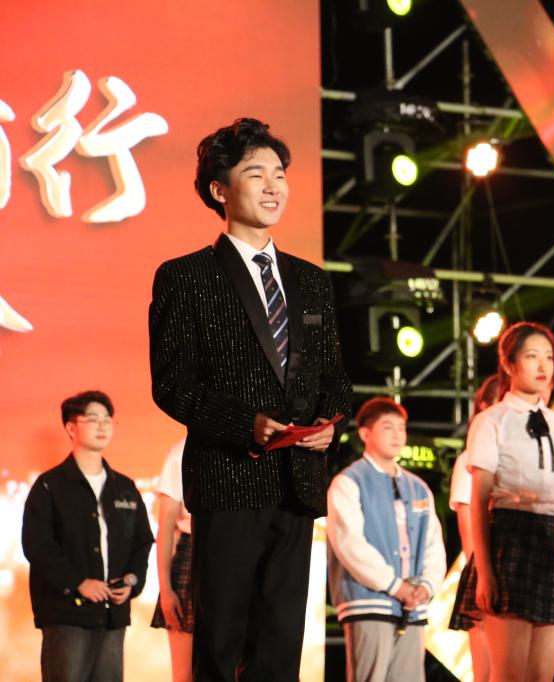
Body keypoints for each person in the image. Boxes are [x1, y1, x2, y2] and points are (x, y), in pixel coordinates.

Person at [148, 118, 352, 682]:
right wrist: (246, 424)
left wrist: (331, 425)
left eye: (279, 174)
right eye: (255, 173)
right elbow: (172, 384)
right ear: (220, 189)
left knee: (281, 649)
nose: (272, 186)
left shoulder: (311, 281)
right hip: (228, 480)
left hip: (297, 485)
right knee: (219, 644)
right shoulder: (185, 276)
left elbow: (336, 378)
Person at [453, 322, 554, 682]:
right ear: (508, 364)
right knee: (509, 675)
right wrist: (485, 572)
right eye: (531, 356)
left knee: (542, 676)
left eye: (549, 357)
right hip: (509, 538)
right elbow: (479, 499)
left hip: (553, 542)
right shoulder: (491, 421)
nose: (543, 365)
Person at [22, 390, 154, 682]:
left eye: (108, 420)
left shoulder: (125, 487)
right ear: (71, 427)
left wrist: (131, 582)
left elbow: (142, 541)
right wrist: (78, 583)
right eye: (93, 419)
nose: (102, 426)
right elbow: (37, 546)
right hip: (66, 614)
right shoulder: (49, 486)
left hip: (113, 615)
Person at [327, 398, 446, 682]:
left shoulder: (418, 487)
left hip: (412, 606)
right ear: (365, 433)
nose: (397, 434)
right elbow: (350, 544)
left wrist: (426, 586)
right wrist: (394, 586)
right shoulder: (349, 482)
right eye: (387, 427)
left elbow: (433, 545)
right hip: (368, 602)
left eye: (401, 428)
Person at [447, 374, 504, 682]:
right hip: (484, 569)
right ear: (484, 406)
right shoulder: (469, 459)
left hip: (512, 565)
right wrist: (482, 573)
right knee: (487, 669)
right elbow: (467, 524)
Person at [150, 439, 192, 682]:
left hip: (238, 555)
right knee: (185, 674)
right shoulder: (180, 452)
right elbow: (165, 527)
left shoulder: (244, 443)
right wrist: (166, 589)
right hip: (191, 555)